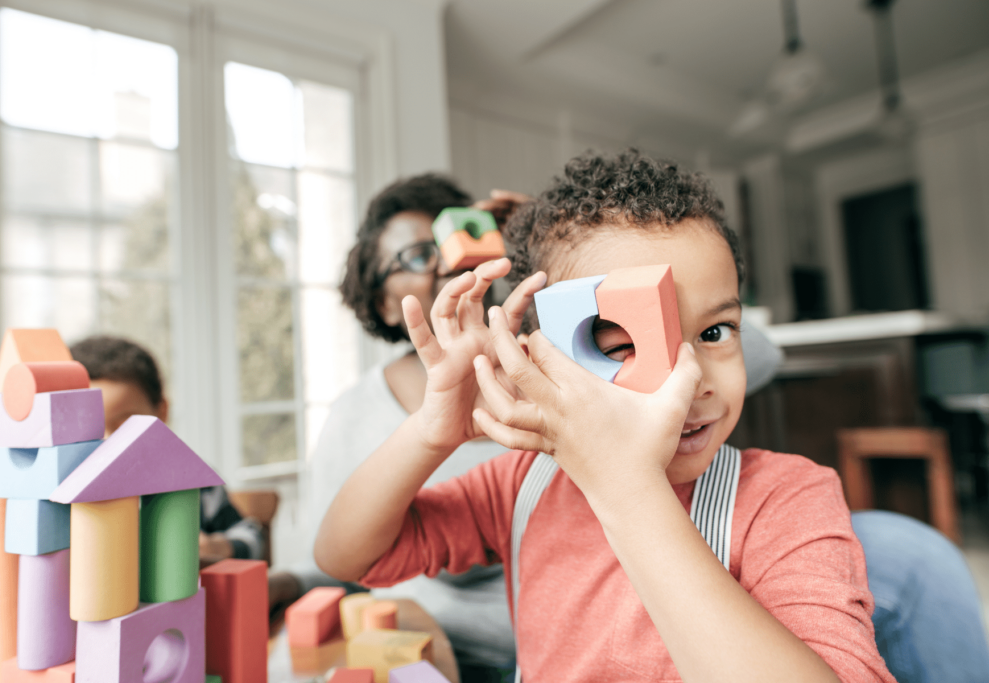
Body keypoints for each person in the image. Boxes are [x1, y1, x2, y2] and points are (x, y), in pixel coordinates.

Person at [315, 151, 896, 681]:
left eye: (714, 332)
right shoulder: (522, 485)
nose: (689, 377)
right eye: (620, 344)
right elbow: (347, 556)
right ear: (538, 358)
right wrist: (429, 433)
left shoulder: (789, 498)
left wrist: (625, 484)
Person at [270, 175, 529, 681]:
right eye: (415, 256)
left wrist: (556, 240)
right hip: (426, 654)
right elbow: (333, 563)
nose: (444, 264)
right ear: (385, 302)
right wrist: (277, 584)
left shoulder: (544, 365)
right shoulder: (353, 413)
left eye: (450, 243)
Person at [70, 335, 266, 562]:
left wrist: (220, 547)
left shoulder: (192, 481)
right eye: (87, 428)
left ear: (161, 412)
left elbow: (251, 535)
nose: (106, 442)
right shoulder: (60, 489)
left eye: (125, 425)